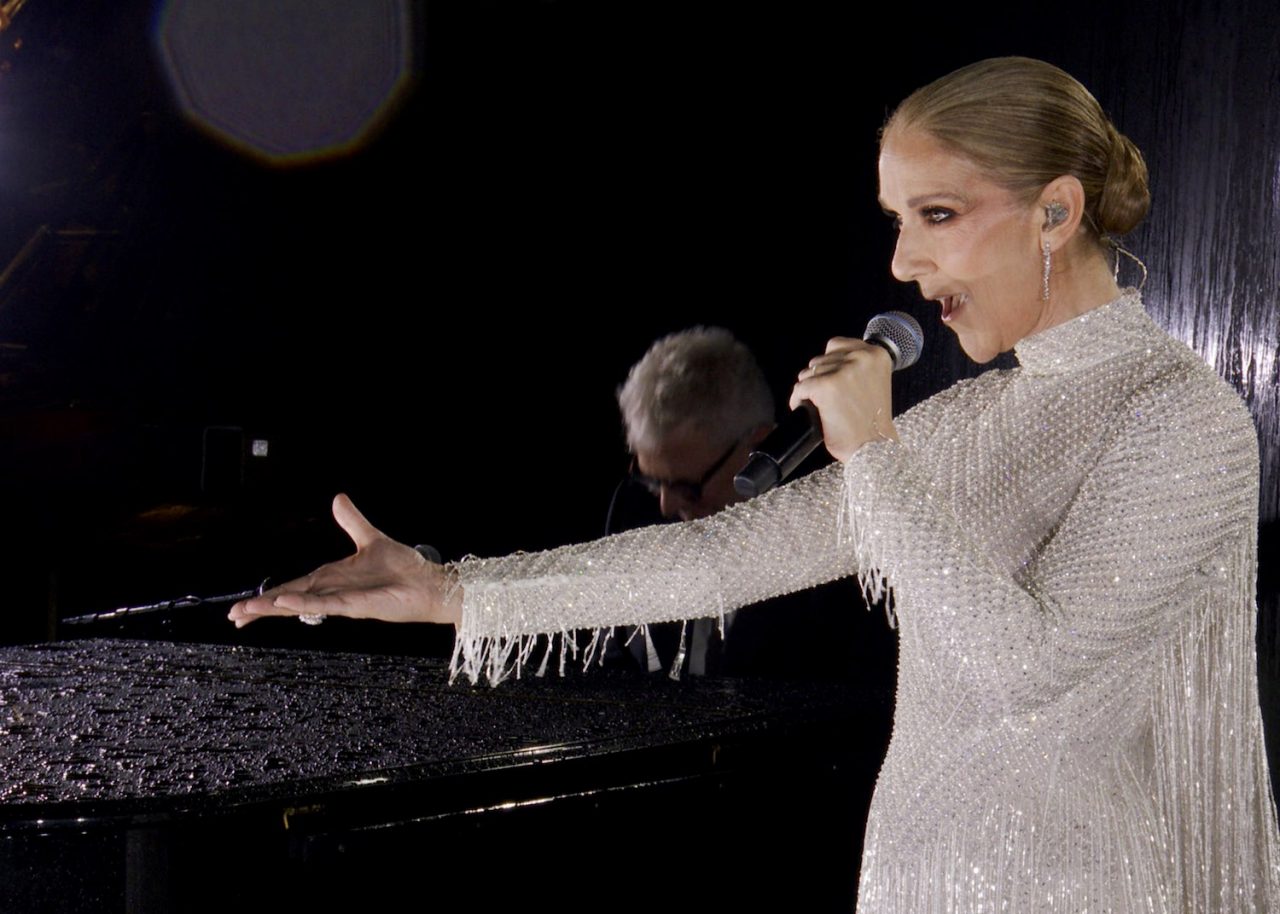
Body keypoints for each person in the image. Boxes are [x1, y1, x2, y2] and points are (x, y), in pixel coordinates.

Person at [229, 57, 1280, 912]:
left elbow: (1026, 669)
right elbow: (721, 551)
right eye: (894, 219)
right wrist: (451, 589)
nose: (904, 263)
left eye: (938, 214)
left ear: (1055, 212)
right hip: (914, 881)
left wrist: (870, 451)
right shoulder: (970, 418)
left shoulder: (1177, 418)